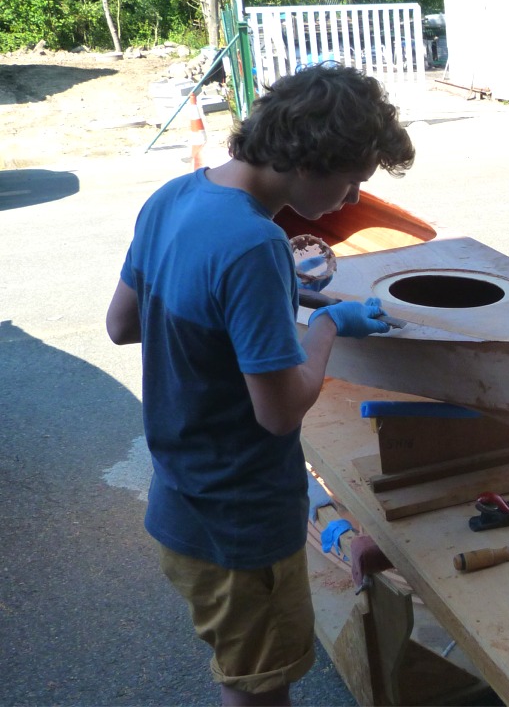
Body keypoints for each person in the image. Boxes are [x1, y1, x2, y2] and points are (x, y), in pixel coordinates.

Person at [106, 63, 415, 705]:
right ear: (309, 161)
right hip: (241, 521)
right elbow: (279, 413)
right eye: (353, 179)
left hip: (184, 502)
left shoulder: (174, 197)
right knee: (258, 688)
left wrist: (267, 304)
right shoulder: (255, 244)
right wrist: (326, 322)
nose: (354, 198)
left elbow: (124, 323)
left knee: (239, 667)